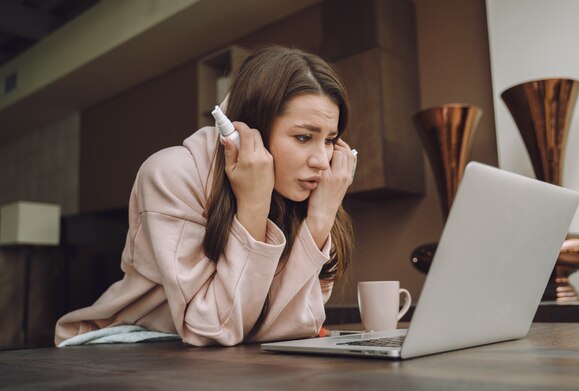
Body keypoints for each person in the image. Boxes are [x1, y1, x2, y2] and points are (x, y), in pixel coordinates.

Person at [55, 45, 356, 347]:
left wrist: (320, 220)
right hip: (134, 351)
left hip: (223, 365)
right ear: (255, 130)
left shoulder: (308, 196)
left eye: (330, 140)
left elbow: (302, 324)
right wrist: (253, 205)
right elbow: (213, 327)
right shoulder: (170, 174)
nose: (322, 160)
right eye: (304, 137)